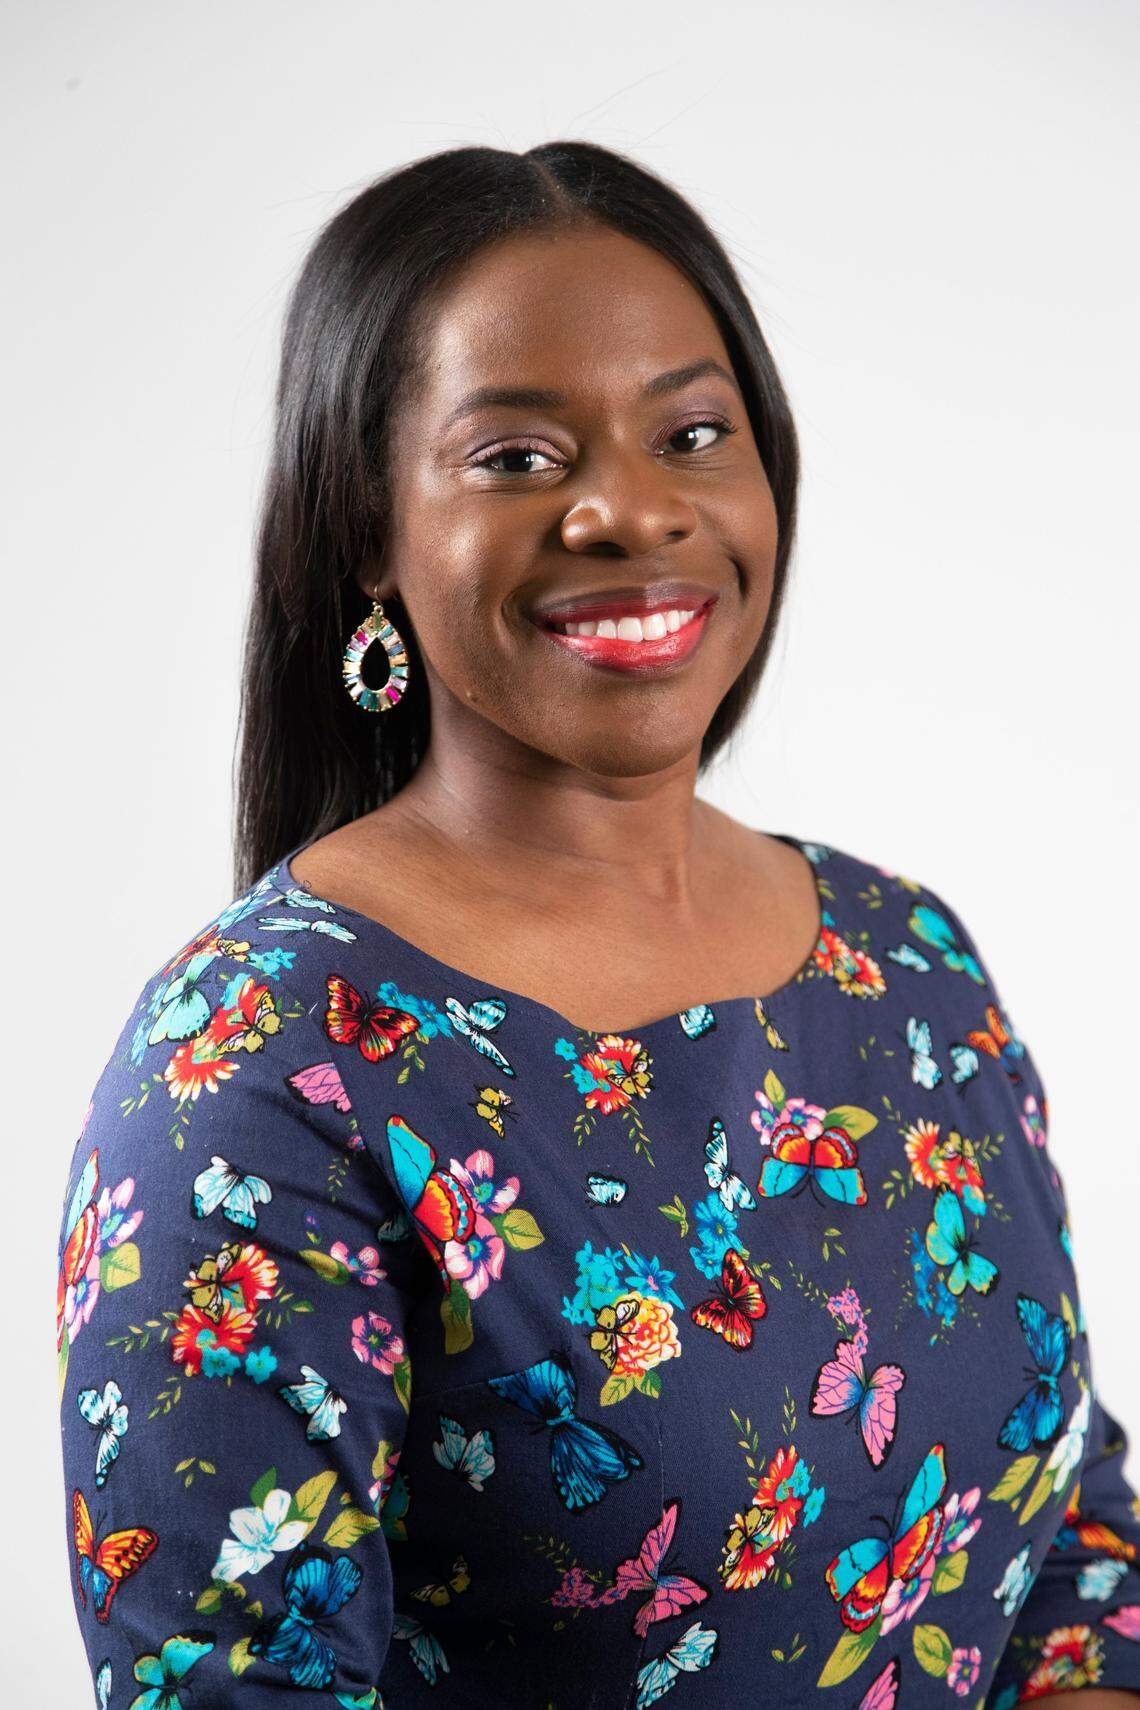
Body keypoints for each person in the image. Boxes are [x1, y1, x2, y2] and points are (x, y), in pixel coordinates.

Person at [57, 141, 1140, 1708]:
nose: (630, 509)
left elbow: (1069, 1539)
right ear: (365, 524)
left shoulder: (912, 963)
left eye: (693, 434)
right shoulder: (255, 1067)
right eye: (516, 457)